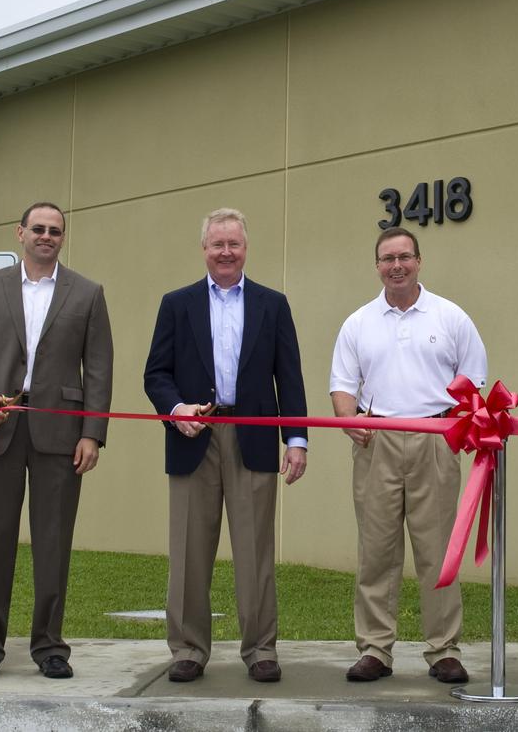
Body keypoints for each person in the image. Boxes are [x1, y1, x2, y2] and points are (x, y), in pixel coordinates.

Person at [0, 201, 114, 681]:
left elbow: (99, 370)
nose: (46, 236)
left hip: (60, 435)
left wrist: (92, 434)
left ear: (63, 237)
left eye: (55, 231)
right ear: (20, 232)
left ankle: (50, 646)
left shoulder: (87, 293)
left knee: (53, 542)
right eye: (38, 229)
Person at [143, 208, 308, 685]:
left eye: (233, 244)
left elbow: (289, 376)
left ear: (245, 248)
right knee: (190, 551)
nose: (226, 252)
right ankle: (189, 649)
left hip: (253, 439)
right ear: (204, 249)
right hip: (194, 437)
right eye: (217, 244)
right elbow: (156, 374)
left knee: (255, 551)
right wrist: (177, 412)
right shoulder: (177, 304)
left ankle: (260, 648)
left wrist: (295, 440)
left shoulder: (272, 304)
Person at [329, 226, 487, 685]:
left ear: (419, 260)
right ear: (377, 266)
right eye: (386, 258)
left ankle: (444, 650)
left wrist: (454, 430)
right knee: (376, 551)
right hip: (375, 441)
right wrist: (350, 420)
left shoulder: (450, 317)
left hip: (436, 440)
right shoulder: (358, 322)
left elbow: (473, 380)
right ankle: (376, 648)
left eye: (404, 257)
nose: (396, 265)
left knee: (438, 551)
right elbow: (342, 384)